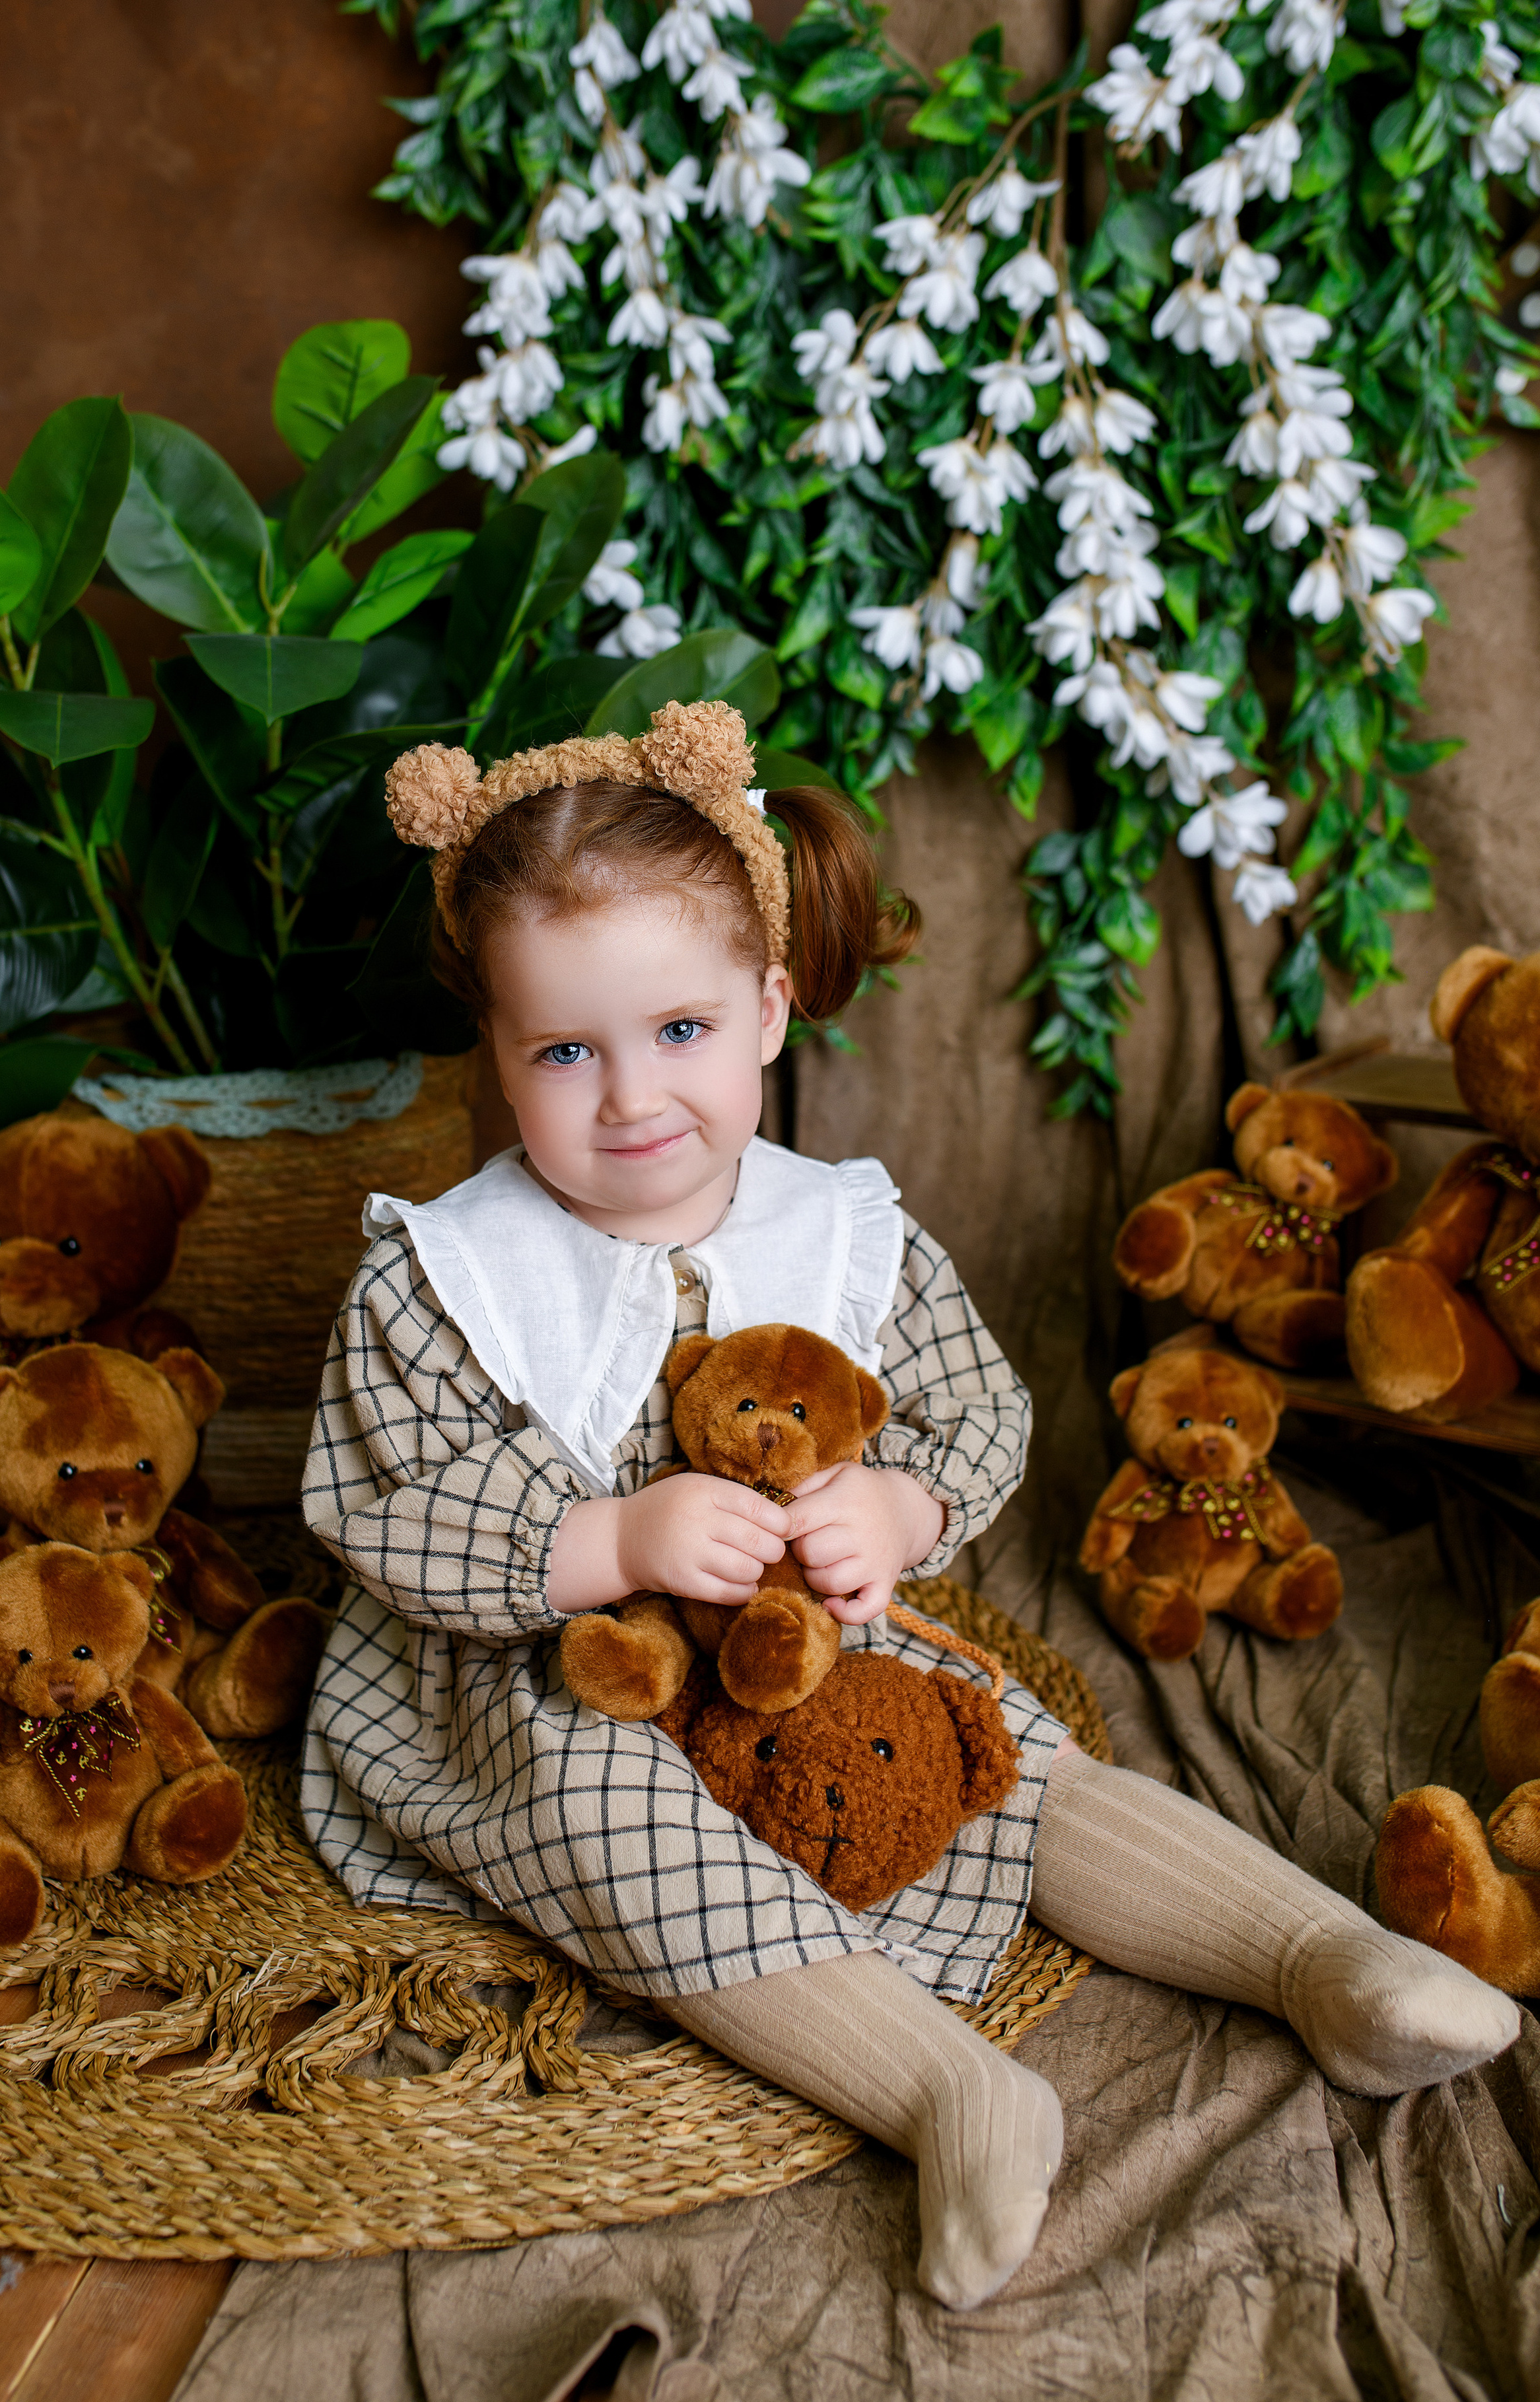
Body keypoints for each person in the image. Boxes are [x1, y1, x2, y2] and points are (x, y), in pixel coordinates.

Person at [301, 699, 1517, 2310]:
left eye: (677, 1030)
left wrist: (891, 1505)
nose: (628, 1097)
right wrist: (601, 1541)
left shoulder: (842, 1232)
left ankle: (1317, 1957)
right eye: (563, 1052)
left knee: (988, 1729)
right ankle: (945, 2088)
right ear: (502, 1054)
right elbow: (381, 1493)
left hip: (803, 1642)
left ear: (768, 1008)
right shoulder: (447, 1269)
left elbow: (971, 1411)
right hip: (535, 1671)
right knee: (607, 1811)